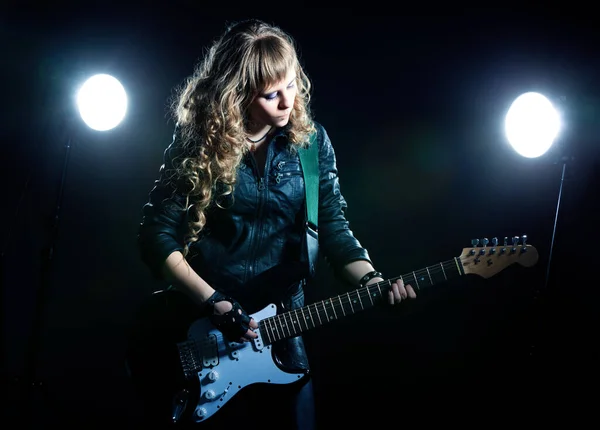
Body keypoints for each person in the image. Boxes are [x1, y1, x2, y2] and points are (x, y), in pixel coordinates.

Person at [133, 18, 416, 429]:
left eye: (291, 85)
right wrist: (214, 303)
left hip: (283, 336)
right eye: (271, 94)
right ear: (238, 95)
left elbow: (334, 228)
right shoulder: (198, 142)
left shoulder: (311, 143)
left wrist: (372, 281)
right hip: (202, 328)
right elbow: (155, 236)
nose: (288, 102)